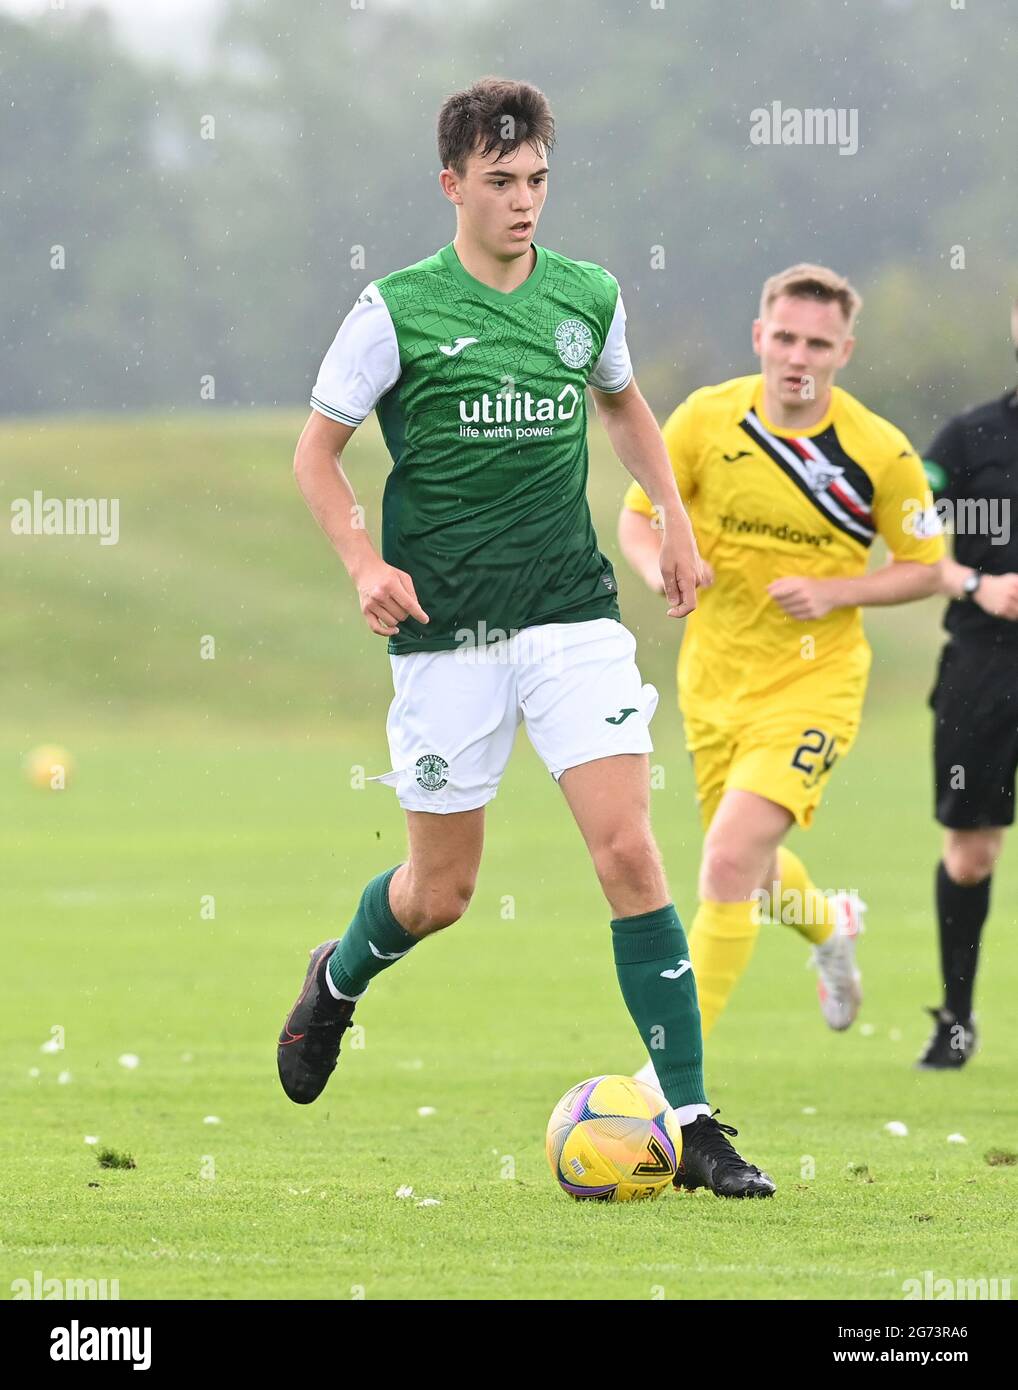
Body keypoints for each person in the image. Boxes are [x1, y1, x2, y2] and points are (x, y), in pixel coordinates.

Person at [278, 76, 774, 1197]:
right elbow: (316, 454)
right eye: (499, 182)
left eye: (538, 179)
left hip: (570, 617)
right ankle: (339, 978)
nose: (523, 202)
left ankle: (691, 1119)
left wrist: (679, 526)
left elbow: (624, 407)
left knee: (630, 851)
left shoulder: (587, 295)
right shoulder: (394, 308)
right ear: (451, 184)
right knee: (439, 892)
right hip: (444, 632)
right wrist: (365, 562)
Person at [619, 264, 944, 1072]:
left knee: (726, 861)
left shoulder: (880, 452)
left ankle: (666, 1084)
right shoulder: (705, 419)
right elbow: (636, 519)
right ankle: (829, 923)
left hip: (813, 686)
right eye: (787, 337)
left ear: (844, 352)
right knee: (753, 871)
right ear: (761, 336)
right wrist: (662, 567)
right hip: (713, 683)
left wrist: (839, 589)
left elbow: (927, 566)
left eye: (819, 344)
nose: (800, 356)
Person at [917, 297, 1018, 1069]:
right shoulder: (967, 437)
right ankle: (956, 1021)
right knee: (971, 851)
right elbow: (908, 540)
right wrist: (976, 583)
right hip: (985, 667)